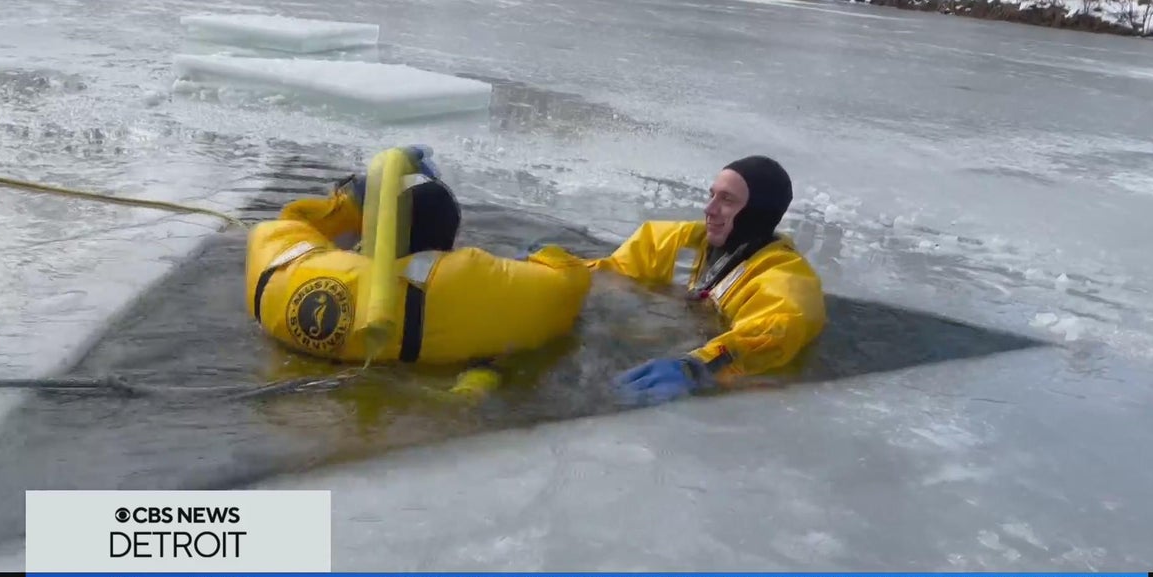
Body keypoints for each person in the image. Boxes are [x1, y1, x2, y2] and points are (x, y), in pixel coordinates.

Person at [244, 146, 592, 396]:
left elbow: (293, 220)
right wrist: (541, 254)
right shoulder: (464, 287)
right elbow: (570, 281)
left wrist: (355, 202)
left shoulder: (286, 266)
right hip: (421, 383)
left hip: (290, 377)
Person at [538, 155, 826, 406]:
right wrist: (555, 269)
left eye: (727, 200)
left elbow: (771, 334)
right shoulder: (682, 241)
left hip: (693, 363)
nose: (709, 209)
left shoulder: (786, 280)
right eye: (712, 195)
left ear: (757, 212)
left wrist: (696, 368)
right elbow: (614, 271)